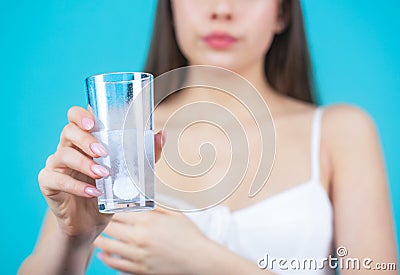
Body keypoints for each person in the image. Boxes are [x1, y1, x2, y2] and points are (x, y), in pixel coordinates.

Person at [19, 0, 397, 274]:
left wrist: (205, 262)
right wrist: (73, 237)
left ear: (282, 12)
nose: (222, 9)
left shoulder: (340, 131)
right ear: (170, 8)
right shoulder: (119, 136)